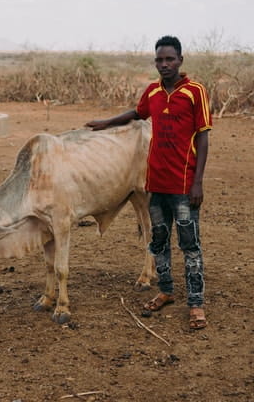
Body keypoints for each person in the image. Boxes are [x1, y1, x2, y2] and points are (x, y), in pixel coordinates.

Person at [86, 35, 212, 330]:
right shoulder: (153, 91)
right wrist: (106, 122)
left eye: (169, 59)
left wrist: (198, 183)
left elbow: (204, 136)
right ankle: (166, 290)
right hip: (155, 184)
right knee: (158, 242)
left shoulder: (195, 92)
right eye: (159, 60)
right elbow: (137, 113)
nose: (164, 64)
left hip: (183, 185)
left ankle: (196, 304)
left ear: (180, 60)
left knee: (190, 245)